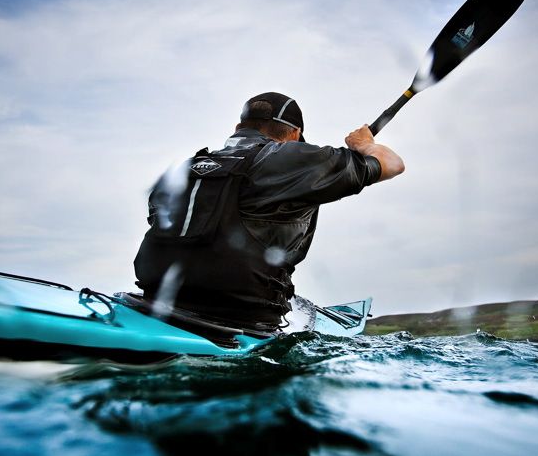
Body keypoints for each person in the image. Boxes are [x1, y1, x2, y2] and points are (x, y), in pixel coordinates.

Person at [133, 92, 404, 331]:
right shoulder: (293, 159)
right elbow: (392, 164)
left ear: (238, 127)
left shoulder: (184, 168)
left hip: (153, 302)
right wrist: (365, 145)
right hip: (243, 318)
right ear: (295, 135)